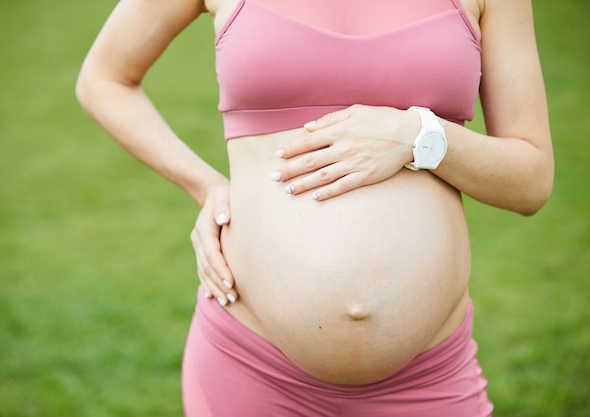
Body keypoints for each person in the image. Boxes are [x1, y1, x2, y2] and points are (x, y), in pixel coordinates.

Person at [76, 0, 553, 415]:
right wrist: (206, 186)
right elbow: (104, 79)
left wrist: (422, 137)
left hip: (427, 379)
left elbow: (531, 180)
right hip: (251, 366)